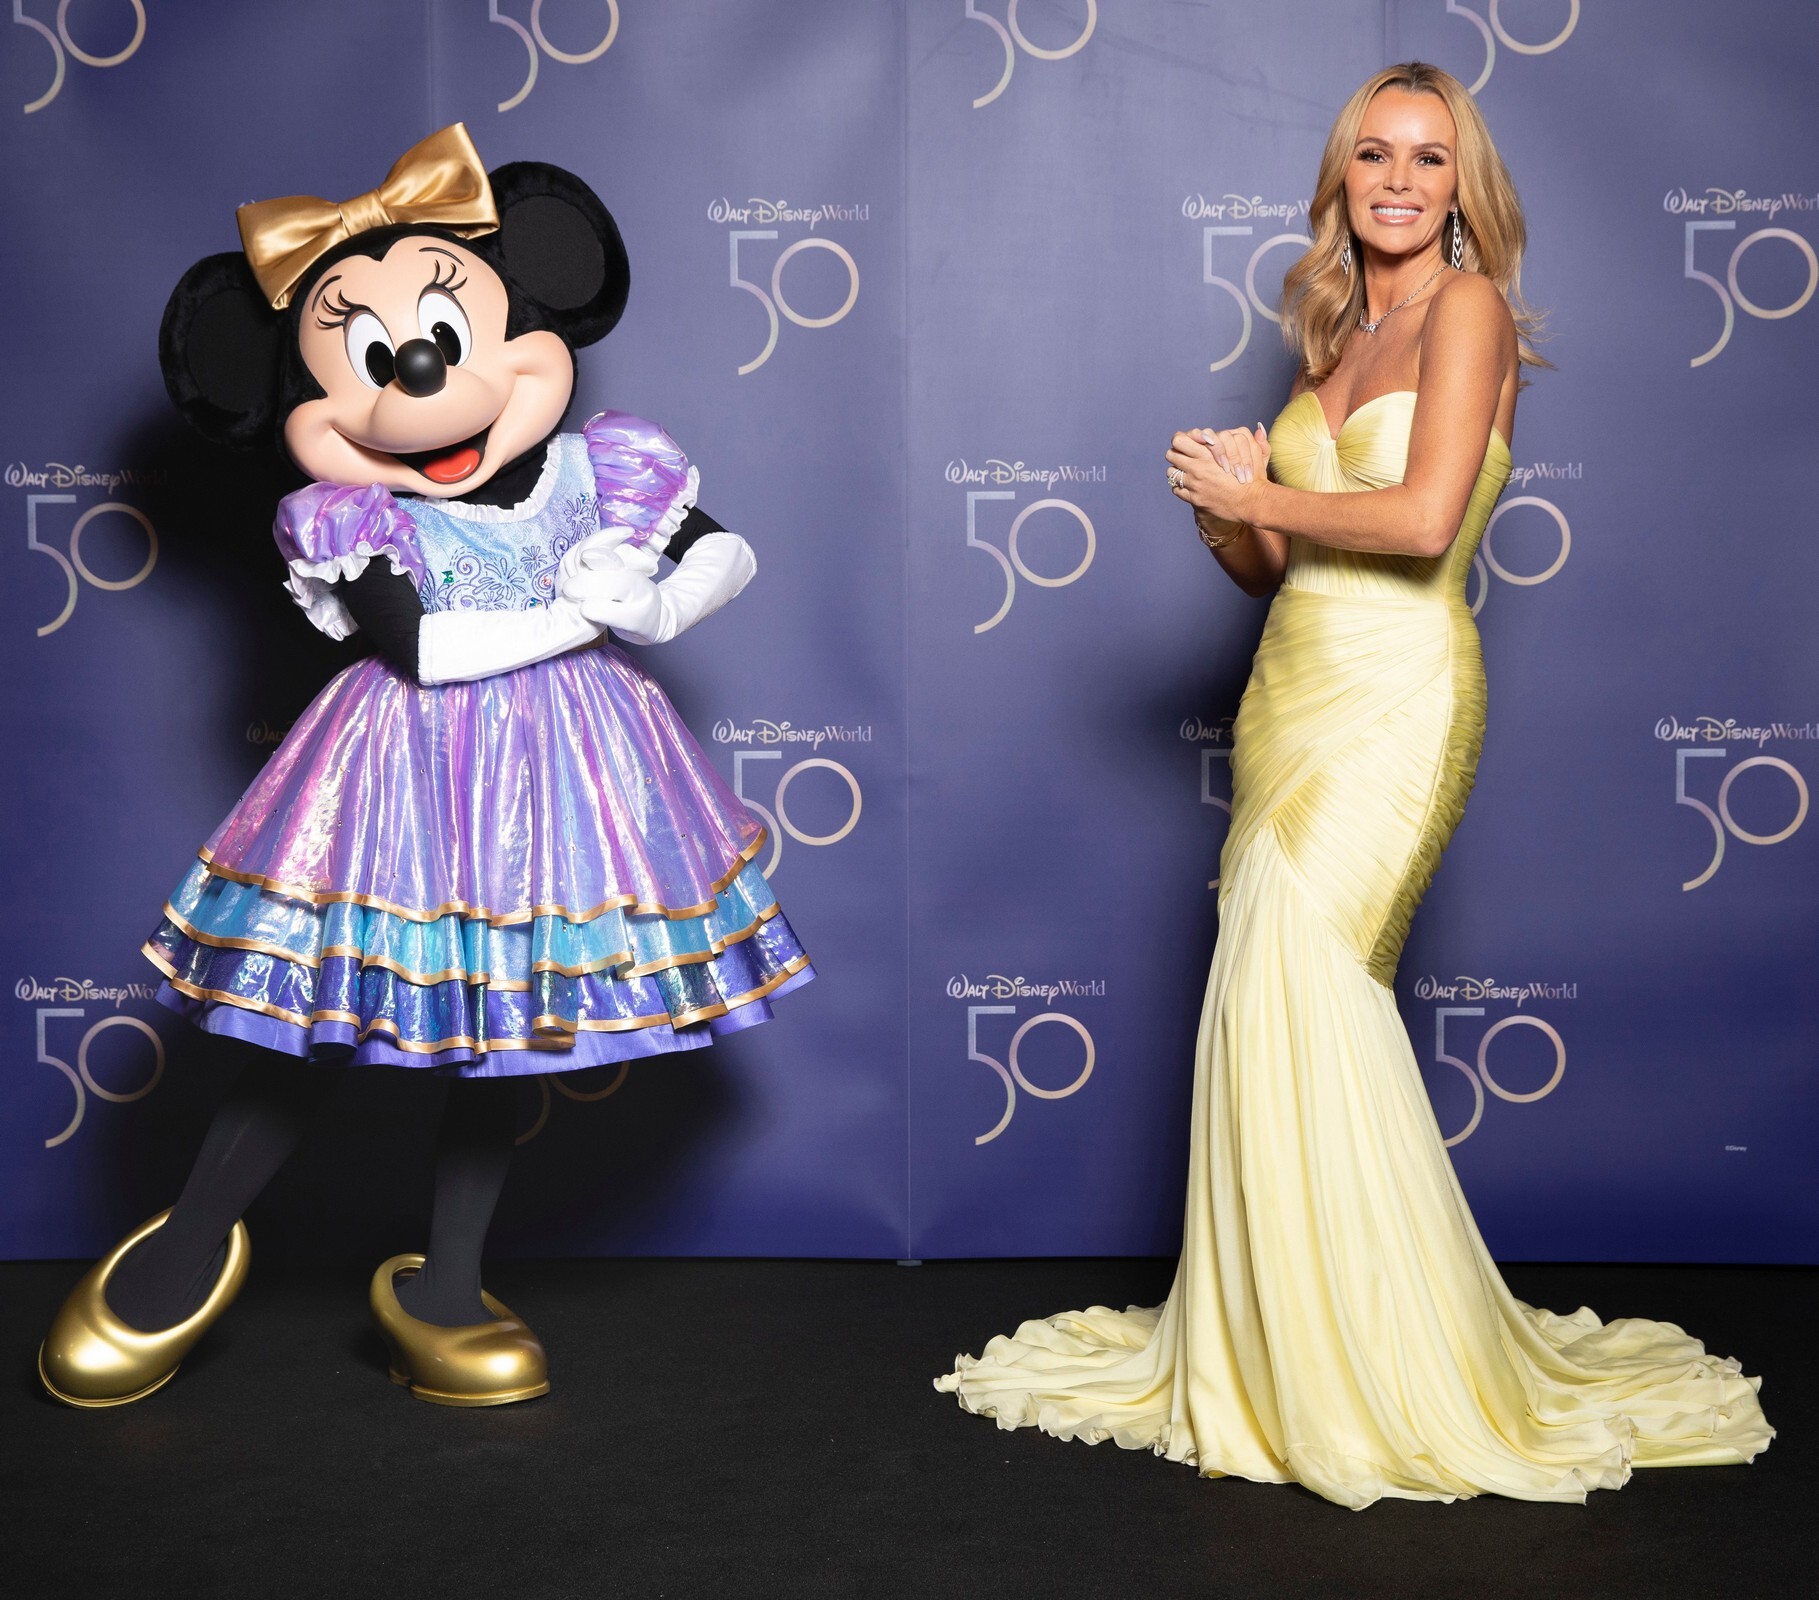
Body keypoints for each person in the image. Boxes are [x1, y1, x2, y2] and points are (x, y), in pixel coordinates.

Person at [936, 62, 1771, 1507]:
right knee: (1264, 992)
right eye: (1372, 154)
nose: (1397, 179)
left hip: (1395, 694)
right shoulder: (1335, 337)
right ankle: (1286, 1349)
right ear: (1339, 180)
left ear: (1462, 189)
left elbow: (1424, 518)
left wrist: (1260, 489)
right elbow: (1278, 565)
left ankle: (1381, 1365)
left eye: (1427, 158)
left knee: (1311, 983)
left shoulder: (1467, 309)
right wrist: (1220, 508)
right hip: (1289, 692)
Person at [38, 127, 813, 1411]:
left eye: (446, 334)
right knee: (310, 1023)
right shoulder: (352, 514)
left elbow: (720, 549)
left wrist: (662, 603)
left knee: (506, 1038)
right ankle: (188, 1242)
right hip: (400, 782)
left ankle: (446, 1287)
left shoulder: (600, 464)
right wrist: (592, 613)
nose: (419, 376)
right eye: (368, 357)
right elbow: (429, 650)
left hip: (570, 783)